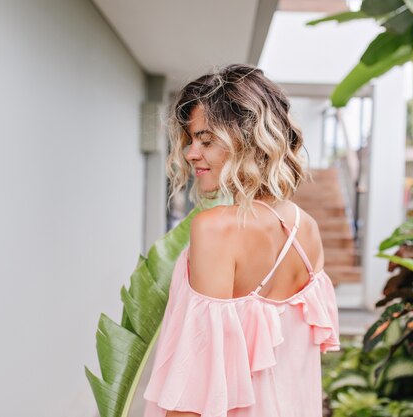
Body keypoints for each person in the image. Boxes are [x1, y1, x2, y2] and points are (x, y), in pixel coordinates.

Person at [142, 64, 340, 417]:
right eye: (190, 141)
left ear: (247, 141)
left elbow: (196, 382)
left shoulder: (215, 228)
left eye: (206, 140)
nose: (190, 154)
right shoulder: (306, 228)